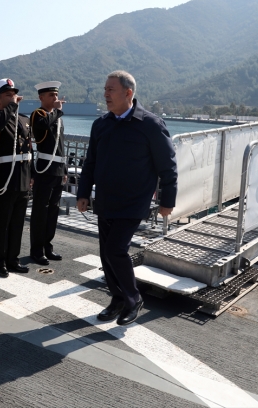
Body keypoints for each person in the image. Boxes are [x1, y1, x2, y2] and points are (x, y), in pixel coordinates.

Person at [77, 70, 177, 326]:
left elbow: (168, 166)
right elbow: (90, 163)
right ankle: (118, 298)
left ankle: (134, 298)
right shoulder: (101, 124)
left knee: (115, 250)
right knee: (105, 254)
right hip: (106, 200)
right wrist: (83, 192)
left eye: (111, 89)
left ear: (128, 93)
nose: (105, 94)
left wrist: (167, 200)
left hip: (134, 202)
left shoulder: (150, 125)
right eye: (105, 89)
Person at [0, 79, 32, 278]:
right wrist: (11, 107)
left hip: (22, 176)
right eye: (8, 95)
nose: (13, 97)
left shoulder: (23, 118)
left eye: (14, 94)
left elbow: (29, 149)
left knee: (17, 222)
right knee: (1, 223)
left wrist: (33, 175)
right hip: (5, 177)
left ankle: (13, 258)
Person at [29, 81, 68, 265]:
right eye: (51, 95)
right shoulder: (39, 114)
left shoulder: (56, 118)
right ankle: (36, 250)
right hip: (44, 169)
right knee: (40, 211)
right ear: (41, 97)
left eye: (56, 95)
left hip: (58, 170)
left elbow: (61, 146)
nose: (55, 98)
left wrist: (65, 169)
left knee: (53, 211)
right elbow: (43, 126)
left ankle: (47, 247)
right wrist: (57, 112)